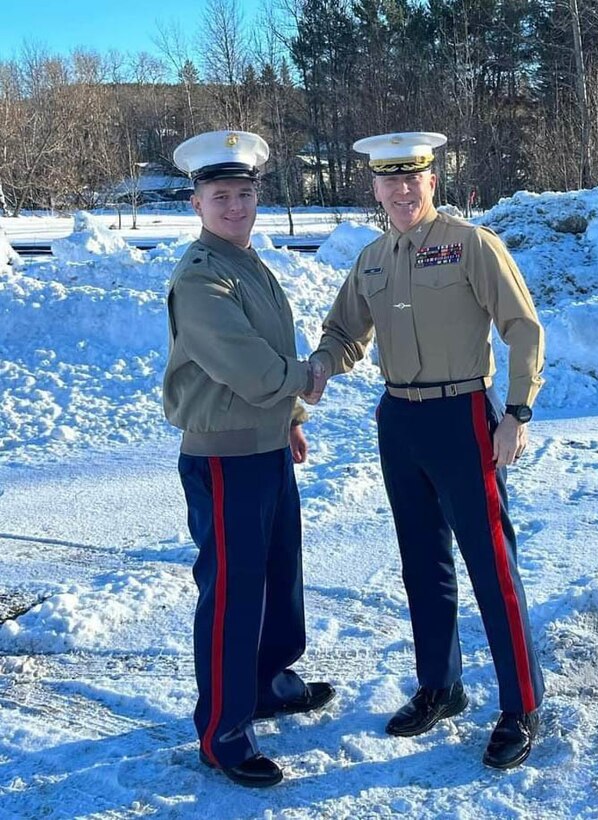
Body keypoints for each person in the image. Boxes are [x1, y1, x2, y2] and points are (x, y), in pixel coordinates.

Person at [304, 131, 545, 769]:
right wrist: (321, 368)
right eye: (389, 181)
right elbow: (343, 330)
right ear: (375, 190)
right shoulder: (373, 259)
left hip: (463, 414)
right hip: (399, 419)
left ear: (431, 181)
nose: (402, 191)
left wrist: (516, 411)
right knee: (422, 561)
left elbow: (522, 327)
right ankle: (441, 685)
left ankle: (522, 705)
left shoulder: (470, 246)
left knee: (491, 561)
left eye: (413, 178)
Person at [163, 130, 333, 787]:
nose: (235, 206)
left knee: (278, 576)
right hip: (223, 458)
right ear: (196, 203)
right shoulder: (201, 275)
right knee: (234, 596)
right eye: (219, 195)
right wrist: (306, 378)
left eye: (244, 194)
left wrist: (287, 420)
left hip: (261, 445)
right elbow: (247, 363)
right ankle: (223, 730)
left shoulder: (247, 262)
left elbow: (267, 344)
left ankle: (267, 681)